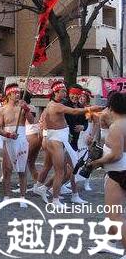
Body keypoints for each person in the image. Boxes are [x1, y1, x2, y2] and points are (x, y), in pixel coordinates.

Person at [33, 81, 102, 207]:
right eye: (68, 92)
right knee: (62, 170)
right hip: (59, 140)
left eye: (78, 94)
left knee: (70, 169)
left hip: (68, 140)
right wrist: (44, 135)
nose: (74, 96)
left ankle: (45, 188)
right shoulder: (60, 104)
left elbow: (84, 119)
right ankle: (54, 195)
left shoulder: (71, 104)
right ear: (58, 92)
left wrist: (84, 126)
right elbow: (45, 119)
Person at [87, 92, 126, 252]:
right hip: (121, 170)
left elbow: (116, 155)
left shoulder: (117, 127)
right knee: (114, 212)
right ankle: (111, 243)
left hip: (118, 172)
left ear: (111, 107)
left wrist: (96, 163)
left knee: (115, 215)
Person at [0, 84, 34, 207]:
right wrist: (8, 134)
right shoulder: (2, 110)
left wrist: (27, 109)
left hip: (21, 139)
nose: (18, 94)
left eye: (19, 92)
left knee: (22, 170)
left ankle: (23, 197)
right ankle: (6, 196)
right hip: (9, 140)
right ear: (9, 94)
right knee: (7, 170)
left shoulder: (22, 107)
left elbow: (32, 121)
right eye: (15, 93)